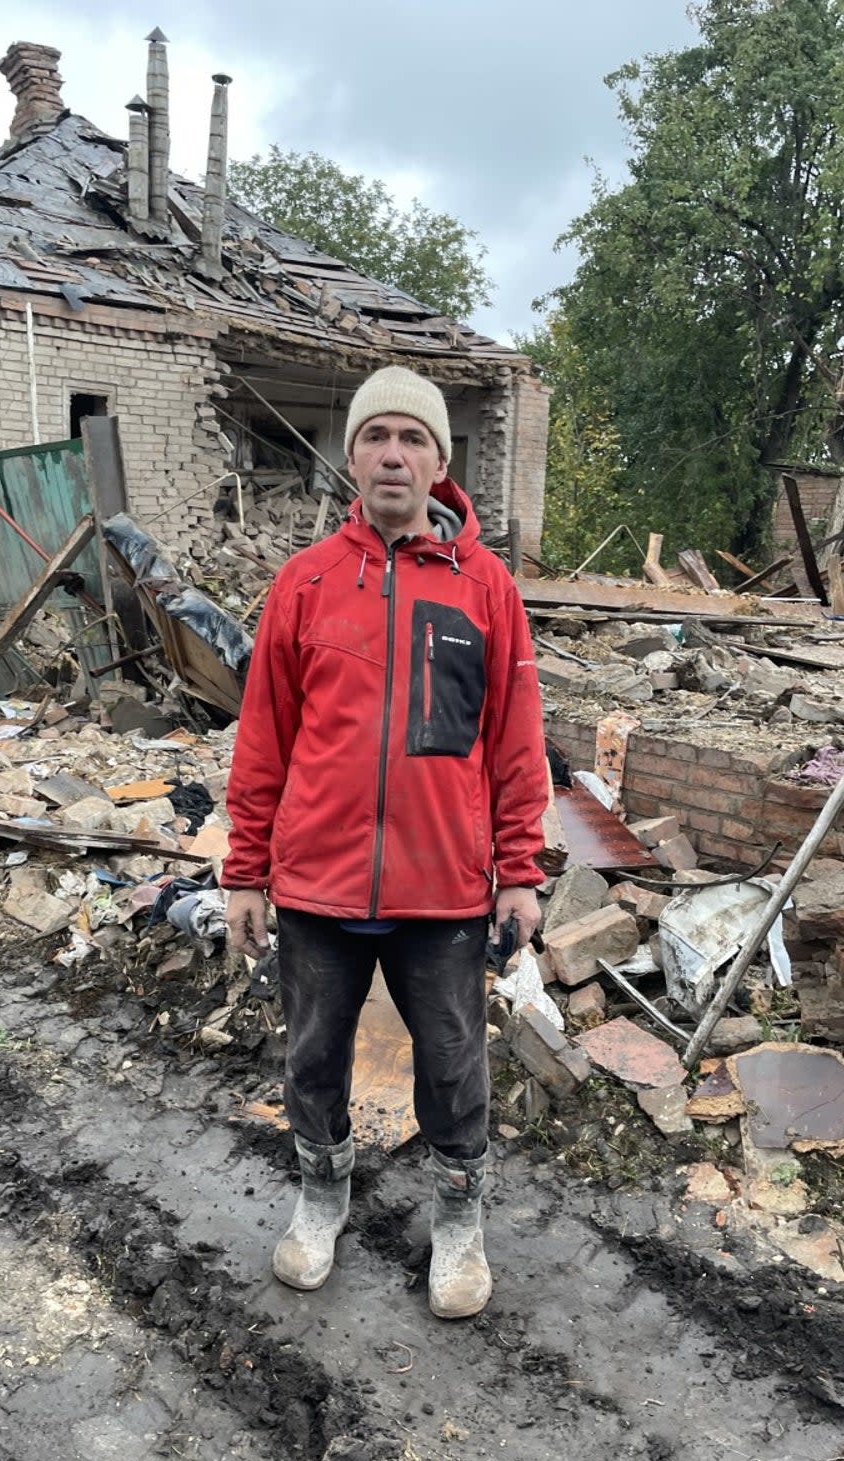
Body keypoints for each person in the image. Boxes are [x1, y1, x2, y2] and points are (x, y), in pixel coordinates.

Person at [222, 365, 546, 1319]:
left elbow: (515, 743)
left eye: (412, 439)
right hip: (318, 885)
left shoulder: (486, 591)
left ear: (440, 461)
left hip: (442, 889)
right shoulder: (307, 583)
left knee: (452, 1063)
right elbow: (264, 736)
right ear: (352, 456)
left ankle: (459, 1222)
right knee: (314, 1055)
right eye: (375, 438)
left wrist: (518, 873)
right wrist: (245, 871)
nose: (393, 455)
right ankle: (322, 1197)